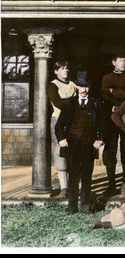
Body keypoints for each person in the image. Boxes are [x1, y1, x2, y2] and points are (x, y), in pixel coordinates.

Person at [55, 77, 103, 214]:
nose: (84, 89)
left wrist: (99, 139)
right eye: (81, 86)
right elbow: (59, 126)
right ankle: (72, 207)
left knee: (87, 177)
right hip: (73, 145)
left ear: (90, 87)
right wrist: (62, 139)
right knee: (73, 177)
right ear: (76, 86)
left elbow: (101, 123)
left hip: (89, 144)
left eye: (87, 86)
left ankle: (85, 206)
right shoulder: (69, 104)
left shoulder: (95, 103)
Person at [100, 55, 125, 197]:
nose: (124, 63)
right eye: (121, 60)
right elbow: (105, 94)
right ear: (113, 62)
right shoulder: (107, 78)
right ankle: (111, 184)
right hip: (111, 118)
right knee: (110, 150)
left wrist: (115, 92)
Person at [47, 60, 77, 200]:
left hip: (73, 121)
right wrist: (72, 100)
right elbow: (57, 102)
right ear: (56, 71)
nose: (66, 71)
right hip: (58, 120)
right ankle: (64, 187)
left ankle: (73, 186)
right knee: (60, 152)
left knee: (73, 151)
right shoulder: (53, 85)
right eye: (62, 68)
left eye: (67, 68)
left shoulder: (73, 84)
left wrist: (69, 100)